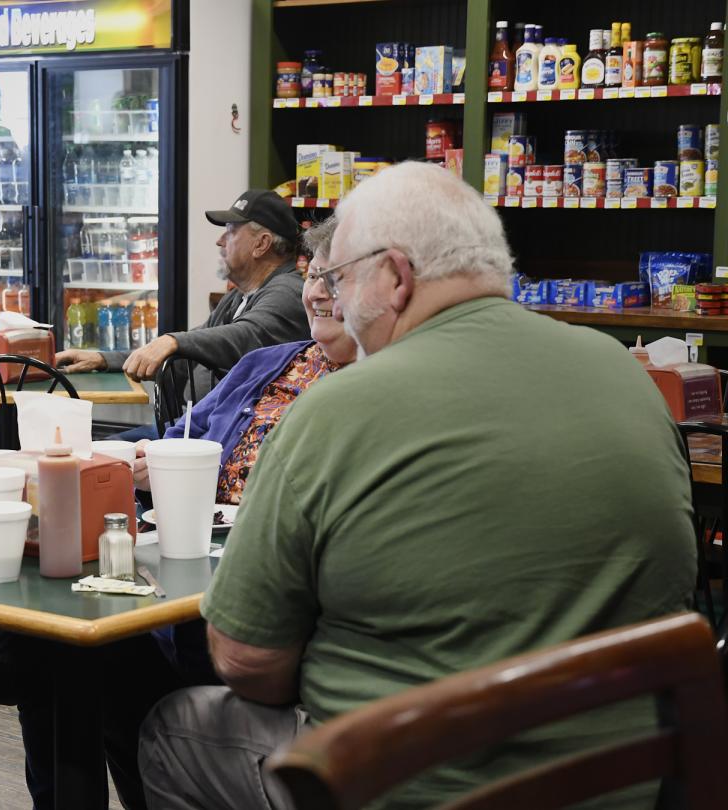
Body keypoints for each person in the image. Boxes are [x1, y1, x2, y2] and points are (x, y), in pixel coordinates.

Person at [138, 161, 697, 809]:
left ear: (397, 278)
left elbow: (246, 661)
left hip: (426, 784)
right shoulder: (623, 372)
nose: (336, 304)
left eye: (341, 279)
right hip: (623, 778)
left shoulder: (339, 407)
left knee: (174, 729)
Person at [57, 189, 309, 439]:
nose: (220, 240)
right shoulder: (240, 296)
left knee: (108, 456)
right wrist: (103, 359)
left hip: (230, 438)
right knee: (105, 453)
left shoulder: (287, 291)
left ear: (261, 244)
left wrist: (173, 341)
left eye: (231, 230)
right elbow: (192, 346)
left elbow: (246, 335)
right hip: (204, 427)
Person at [131, 272, 357, 505]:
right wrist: (154, 471)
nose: (315, 292)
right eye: (312, 276)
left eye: (333, 278)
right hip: (198, 517)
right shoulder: (261, 361)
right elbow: (183, 434)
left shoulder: (369, 388)